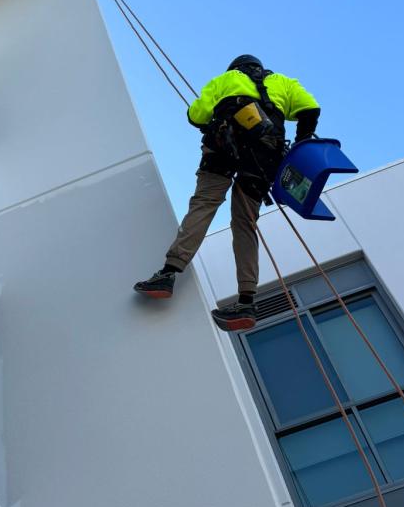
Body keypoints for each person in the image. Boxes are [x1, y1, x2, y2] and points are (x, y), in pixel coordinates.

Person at [134, 54, 320, 330]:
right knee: (245, 223)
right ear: (260, 67)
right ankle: (247, 302)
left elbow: (195, 115)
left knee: (205, 203)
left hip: (225, 143)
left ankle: (169, 273)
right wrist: (302, 142)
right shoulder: (283, 82)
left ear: (236, 68)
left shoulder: (226, 79)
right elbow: (310, 109)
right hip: (265, 154)